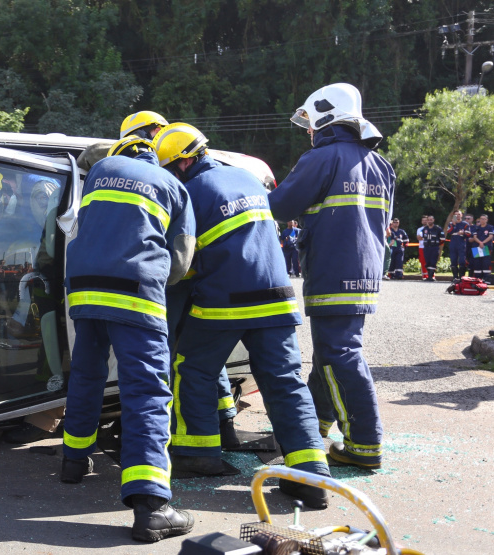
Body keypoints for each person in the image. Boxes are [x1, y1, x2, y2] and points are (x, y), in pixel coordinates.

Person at [154, 123, 331, 509]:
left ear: (182, 163)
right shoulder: (248, 178)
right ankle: (311, 476)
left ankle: (197, 454)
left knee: (192, 368)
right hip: (277, 297)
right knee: (285, 381)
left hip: (225, 301)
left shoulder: (189, 192)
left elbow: (183, 260)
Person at [62, 135, 196, 542]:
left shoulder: (100, 171)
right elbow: (181, 260)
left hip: (83, 290)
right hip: (136, 293)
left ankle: (73, 463)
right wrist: (154, 277)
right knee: (146, 392)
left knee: (86, 376)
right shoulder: (173, 185)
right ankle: (152, 507)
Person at [269, 83, 394, 470]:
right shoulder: (381, 165)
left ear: (326, 117)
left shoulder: (321, 157)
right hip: (364, 271)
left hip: (332, 268)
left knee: (338, 353)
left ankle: (364, 442)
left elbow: (280, 206)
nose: (309, 131)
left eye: (311, 123)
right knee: (330, 353)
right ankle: (313, 426)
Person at [446, 210, 471, 279]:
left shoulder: (465, 224)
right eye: (456, 214)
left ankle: (461, 277)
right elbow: (449, 232)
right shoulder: (451, 224)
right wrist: (454, 225)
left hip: (461, 244)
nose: (457, 216)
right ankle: (455, 277)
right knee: (453, 260)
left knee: (462, 261)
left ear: (461, 215)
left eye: (459, 214)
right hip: (453, 244)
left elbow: (469, 234)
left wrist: (463, 233)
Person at [470, 214, 493, 282]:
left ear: (487, 220)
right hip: (477, 247)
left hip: (486, 247)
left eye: (484, 219)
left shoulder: (490, 227)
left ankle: (486, 279)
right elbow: (474, 237)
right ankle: (478, 280)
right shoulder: (476, 228)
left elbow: (490, 236)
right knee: (477, 264)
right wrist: (480, 243)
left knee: (486, 264)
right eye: (481, 219)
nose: (482, 220)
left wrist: (483, 243)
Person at [422, 215, 444, 281]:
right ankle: (429, 276)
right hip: (426, 248)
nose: (429, 221)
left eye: (431, 220)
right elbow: (423, 237)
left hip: (434, 247)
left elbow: (442, 239)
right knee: (427, 262)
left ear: (433, 220)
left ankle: (431, 276)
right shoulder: (425, 229)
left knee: (433, 261)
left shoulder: (438, 228)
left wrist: (437, 244)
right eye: (428, 220)